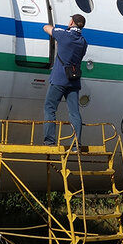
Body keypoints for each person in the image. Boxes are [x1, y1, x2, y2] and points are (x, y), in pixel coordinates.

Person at [42, 14, 88, 146]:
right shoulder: (83, 42)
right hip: (74, 81)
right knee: (74, 112)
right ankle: (75, 144)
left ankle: (50, 141)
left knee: (50, 108)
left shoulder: (64, 35)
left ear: (72, 22)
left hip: (59, 79)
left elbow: (46, 28)